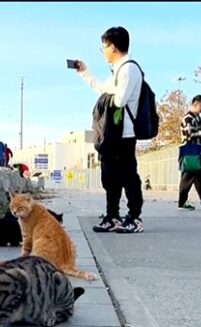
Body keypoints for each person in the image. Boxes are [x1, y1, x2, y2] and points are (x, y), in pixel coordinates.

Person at [75, 26, 145, 234]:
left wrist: (107, 95)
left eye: (103, 47)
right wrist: (84, 73)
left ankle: (134, 217)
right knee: (110, 178)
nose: (103, 50)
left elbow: (120, 99)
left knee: (128, 177)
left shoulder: (129, 69)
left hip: (124, 135)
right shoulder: (118, 71)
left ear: (112, 46)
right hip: (111, 135)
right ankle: (112, 215)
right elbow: (103, 89)